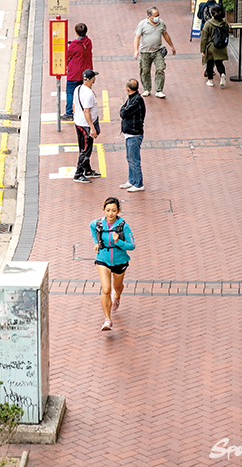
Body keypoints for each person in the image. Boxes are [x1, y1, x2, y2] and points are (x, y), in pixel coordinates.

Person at [91, 197, 135, 331]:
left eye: (114, 211)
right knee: (105, 289)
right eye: (108, 210)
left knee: (117, 287)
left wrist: (118, 242)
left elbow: (132, 245)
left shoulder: (123, 226)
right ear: (103, 210)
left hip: (119, 260)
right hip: (103, 259)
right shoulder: (97, 223)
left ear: (118, 211)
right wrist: (97, 242)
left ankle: (117, 296)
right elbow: (93, 229)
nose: (110, 213)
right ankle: (107, 320)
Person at [133, 7, 176, 98]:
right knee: (145, 71)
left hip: (158, 51)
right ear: (150, 16)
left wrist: (172, 46)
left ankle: (159, 90)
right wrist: (136, 50)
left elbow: (165, 35)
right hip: (145, 52)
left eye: (158, 15)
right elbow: (137, 38)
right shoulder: (142, 24)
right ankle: (147, 88)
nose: (158, 17)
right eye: (156, 15)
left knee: (160, 69)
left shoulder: (161, 23)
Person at [73, 69, 101, 183]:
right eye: (94, 77)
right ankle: (78, 174)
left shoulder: (78, 88)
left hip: (79, 123)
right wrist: (92, 128)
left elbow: (74, 105)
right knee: (86, 150)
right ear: (91, 79)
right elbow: (86, 111)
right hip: (85, 125)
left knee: (83, 148)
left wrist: (76, 118)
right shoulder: (89, 93)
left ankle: (88, 170)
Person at [119, 79, 146, 192]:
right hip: (130, 134)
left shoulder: (136, 100)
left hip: (134, 134)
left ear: (128, 89)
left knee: (134, 160)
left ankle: (139, 184)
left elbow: (123, 112)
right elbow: (123, 110)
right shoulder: (132, 98)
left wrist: (123, 110)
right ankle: (131, 180)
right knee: (129, 158)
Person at [61, 23, 93, 121]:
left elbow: (67, 55)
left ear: (76, 32)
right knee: (82, 92)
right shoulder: (88, 42)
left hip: (74, 73)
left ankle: (69, 112)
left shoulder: (74, 45)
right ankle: (84, 111)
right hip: (85, 72)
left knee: (70, 92)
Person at [200, 5, 230, 88]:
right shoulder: (224, 22)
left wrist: (202, 50)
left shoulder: (208, 24)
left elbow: (204, 38)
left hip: (211, 47)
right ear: (220, 12)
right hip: (221, 46)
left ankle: (210, 80)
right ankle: (222, 74)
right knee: (219, 63)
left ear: (211, 13)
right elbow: (227, 33)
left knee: (209, 63)